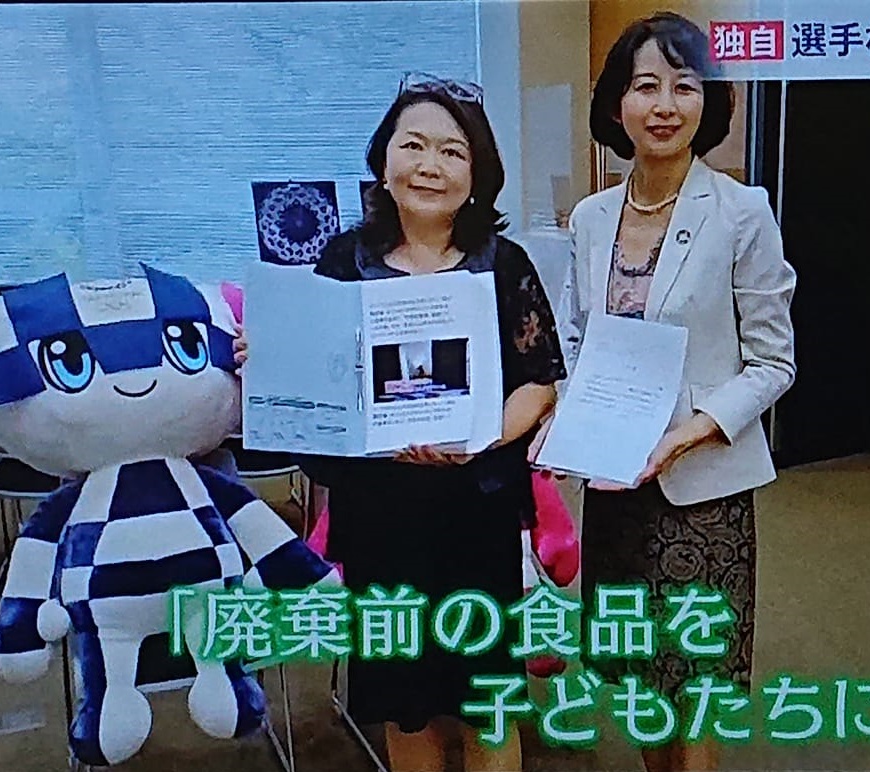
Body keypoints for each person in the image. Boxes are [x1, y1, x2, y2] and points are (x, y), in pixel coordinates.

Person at [235, 73, 566, 772]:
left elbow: (539, 381)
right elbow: (315, 373)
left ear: (476, 174)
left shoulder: (504, 264)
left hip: (475, 516)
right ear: (383, 163)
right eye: (412, 145)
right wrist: (269, 358)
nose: (429, 165)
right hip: (380, 518)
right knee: (403, 701)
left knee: (486, 698)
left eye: (452, 151)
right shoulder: (343, 262)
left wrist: (476, 436)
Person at [528, 12, 797, 772]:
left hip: (700, 486)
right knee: (643, 678)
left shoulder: (741, 212)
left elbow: (774, 363)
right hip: (616, 482)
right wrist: (564, 414)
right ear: (617, 104)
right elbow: (580, 341)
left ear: (709, 103)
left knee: (695, 684)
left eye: (685, 86)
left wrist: (688, 432)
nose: (665, 105)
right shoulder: (591, 218)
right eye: (645, 86)